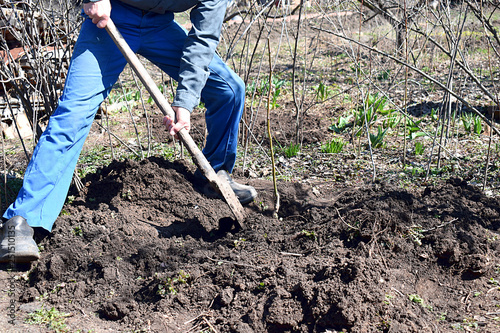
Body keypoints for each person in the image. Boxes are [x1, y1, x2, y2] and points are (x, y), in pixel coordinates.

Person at [0, 0, 257, 263]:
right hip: (113, 15)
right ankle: (20, 223)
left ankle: (215, 175)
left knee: (228, 89)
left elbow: (203, 39)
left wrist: (185, 102)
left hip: (160, 25)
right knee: (73, 116)